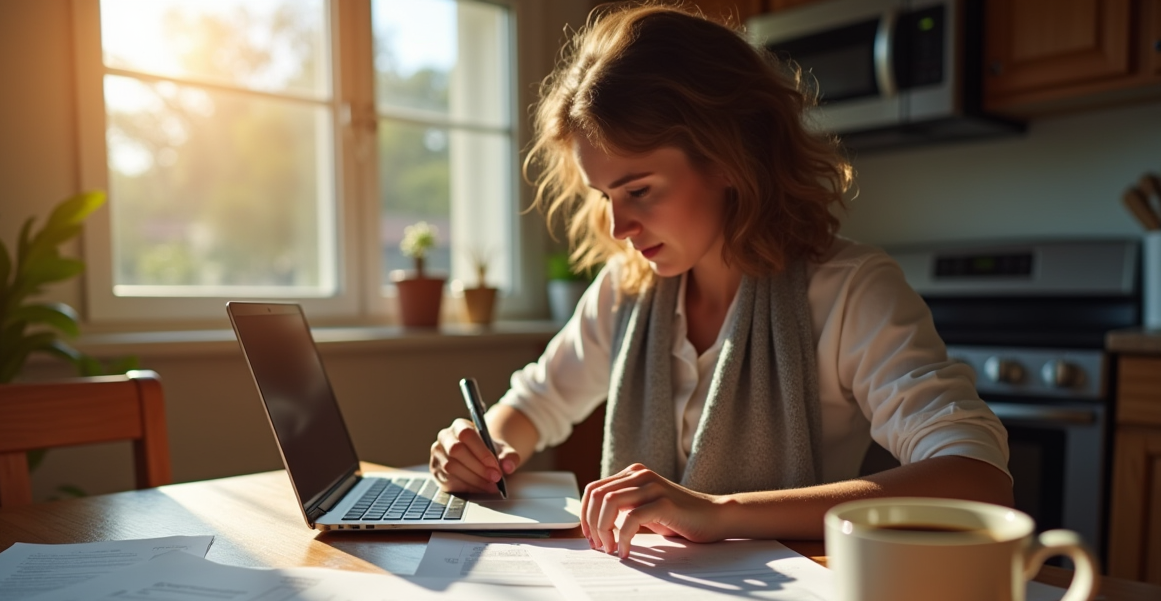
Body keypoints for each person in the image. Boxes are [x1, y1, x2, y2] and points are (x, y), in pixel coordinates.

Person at [429, 3, 1012, 558]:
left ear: (729, 156)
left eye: (639, 190)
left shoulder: (849, 291)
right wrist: (489, 449)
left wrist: (719, 511)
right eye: (604, 195)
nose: (618, 226)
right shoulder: (624, 290)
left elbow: (977, 481)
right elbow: (533, 405)